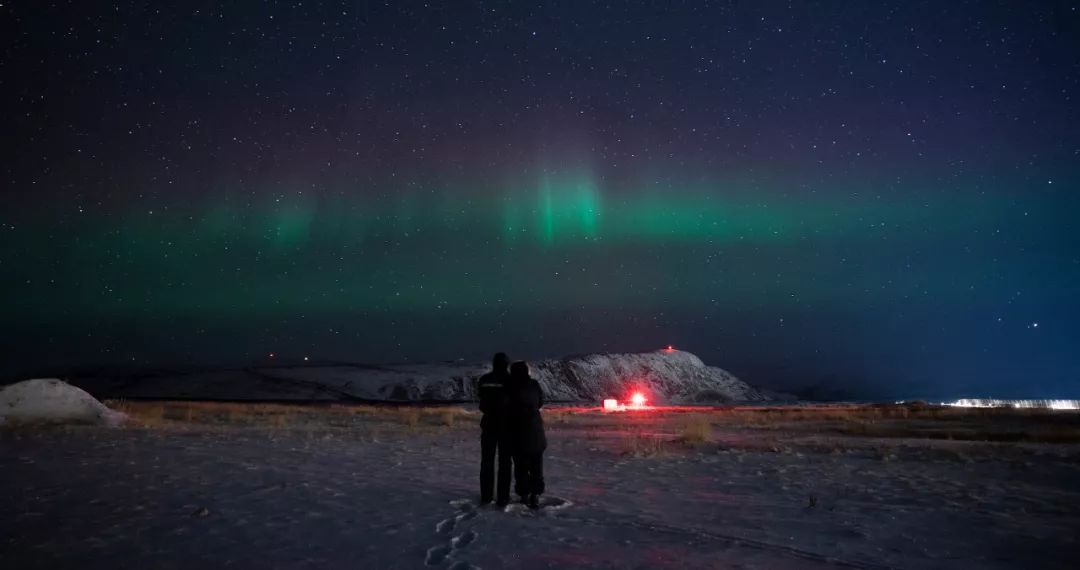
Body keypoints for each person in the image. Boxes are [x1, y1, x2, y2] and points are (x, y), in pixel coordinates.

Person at [506, 360, 547, 509]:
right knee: (537, 466)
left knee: (521, 467)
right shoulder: (534, 385)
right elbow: (541, 402)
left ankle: (524, 494)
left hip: (518, 434)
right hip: (536, 433)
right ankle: (535, 495)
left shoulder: (510, 387)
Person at [477, 352, 512, 506]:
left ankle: (486, 496)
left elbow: (482, 401)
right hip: (506, 426)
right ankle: (503, 497)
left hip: (489, 424)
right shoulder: (511, 381)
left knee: (487, 462)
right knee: (505, 462)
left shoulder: (484, 380)